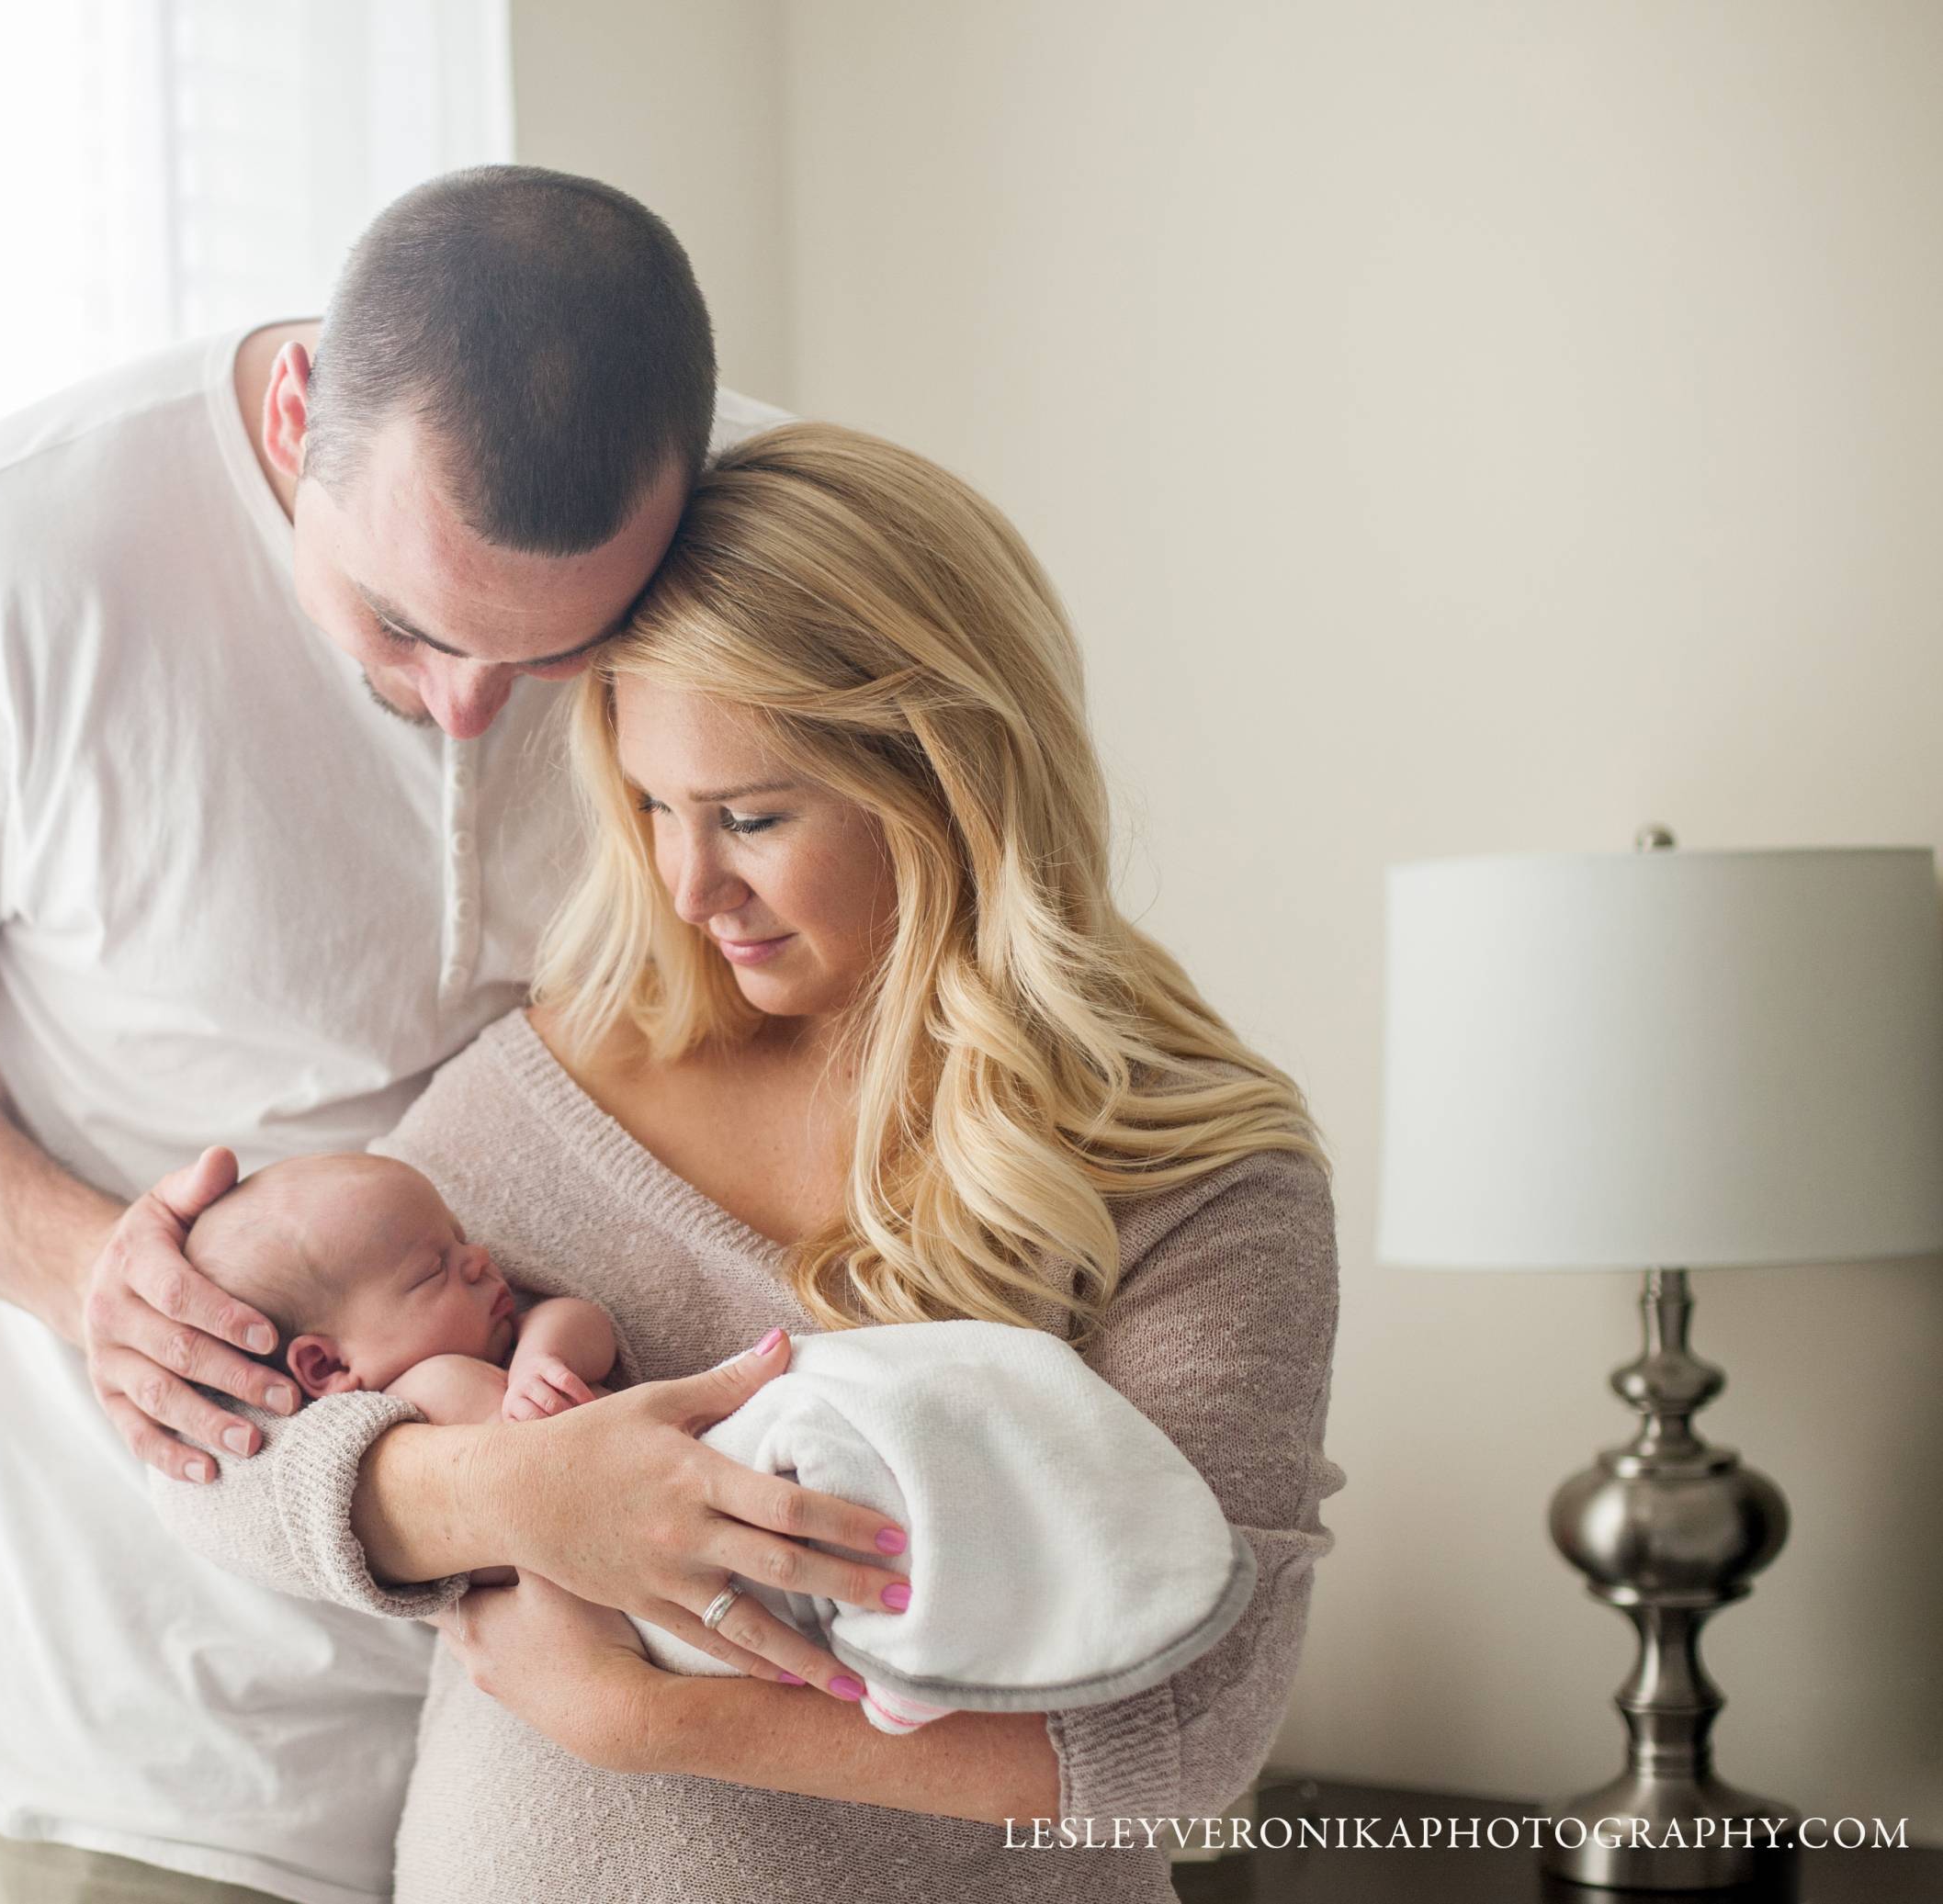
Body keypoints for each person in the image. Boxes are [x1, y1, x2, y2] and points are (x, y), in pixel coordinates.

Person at [0, 163, 791, 1903]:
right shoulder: (4, 565)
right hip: (173, 1752)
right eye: (406, 623)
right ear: (298, 417)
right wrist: (93, 1275)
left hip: (624, 1761)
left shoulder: (770, 536)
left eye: (559, 653)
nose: (467, 707)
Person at [155, 422, 1346, 1902]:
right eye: (650, 805)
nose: (684, 882)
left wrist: (643, 1717)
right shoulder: (560, 1084)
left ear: (950, 780)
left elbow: (1186, 1736)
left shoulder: (1186, 1166)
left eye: (751, 816)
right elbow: (221, 1456)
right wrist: (515, 1497)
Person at [183, 1151, 620, 1424]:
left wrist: (541, 1359)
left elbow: (589, 1325)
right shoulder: (396, 1416)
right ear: (326, 1366)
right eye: (433, 1271)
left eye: (460, 1240)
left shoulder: (516, 1344)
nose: (479, 1259)